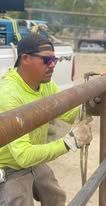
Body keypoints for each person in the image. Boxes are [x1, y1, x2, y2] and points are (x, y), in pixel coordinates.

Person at [0, 33, 92, 206]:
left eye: (55, 60)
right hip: (8, 166)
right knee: (18, 201)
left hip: (32, 160)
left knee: (55, 197)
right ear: (25, 58)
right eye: (46, 60)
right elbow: (23, 157)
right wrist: (69, 142)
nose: (52, 65)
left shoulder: (44, 83)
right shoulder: (8, 95)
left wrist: (88, 106)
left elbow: (67, 112)